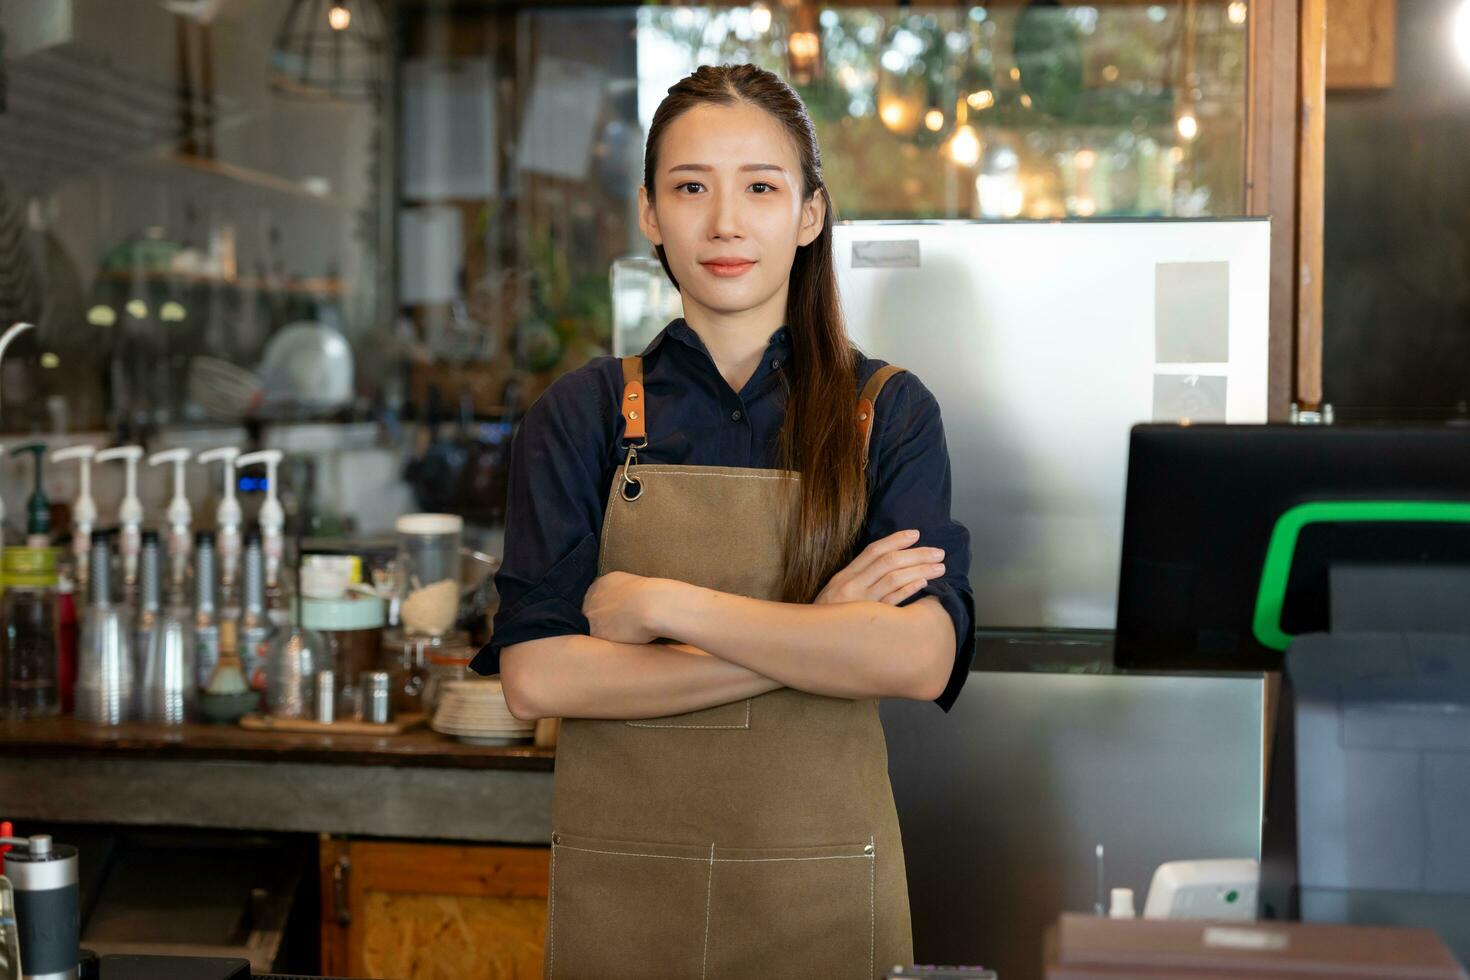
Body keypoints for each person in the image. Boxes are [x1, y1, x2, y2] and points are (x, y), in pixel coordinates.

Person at [471, 63, 975, 979]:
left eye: (761, 188)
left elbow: (919, 657)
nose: (726, 223)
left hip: (826, 893)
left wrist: (669, 606)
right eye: (692, 188)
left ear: (810, 214)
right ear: (651, 214)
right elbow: (538, 677)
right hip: (624, 899)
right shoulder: (581, 415)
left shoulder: (887, 413)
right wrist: (821, 636)